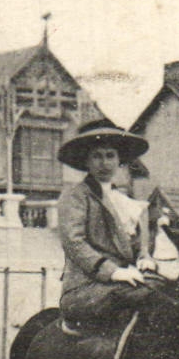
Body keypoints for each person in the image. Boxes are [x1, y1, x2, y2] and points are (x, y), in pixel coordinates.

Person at [55, 118, 157, 325]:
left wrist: (144, 256)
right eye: (97, 157)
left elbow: (131, 243)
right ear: (87, 161)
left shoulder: (124, 201)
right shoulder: (75, 196)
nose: (104, 163)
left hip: (124, 281)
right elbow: (74, 243)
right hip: (84, 288)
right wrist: (113, 272)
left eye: (110, 156)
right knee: (148, 297)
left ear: (119, 160)